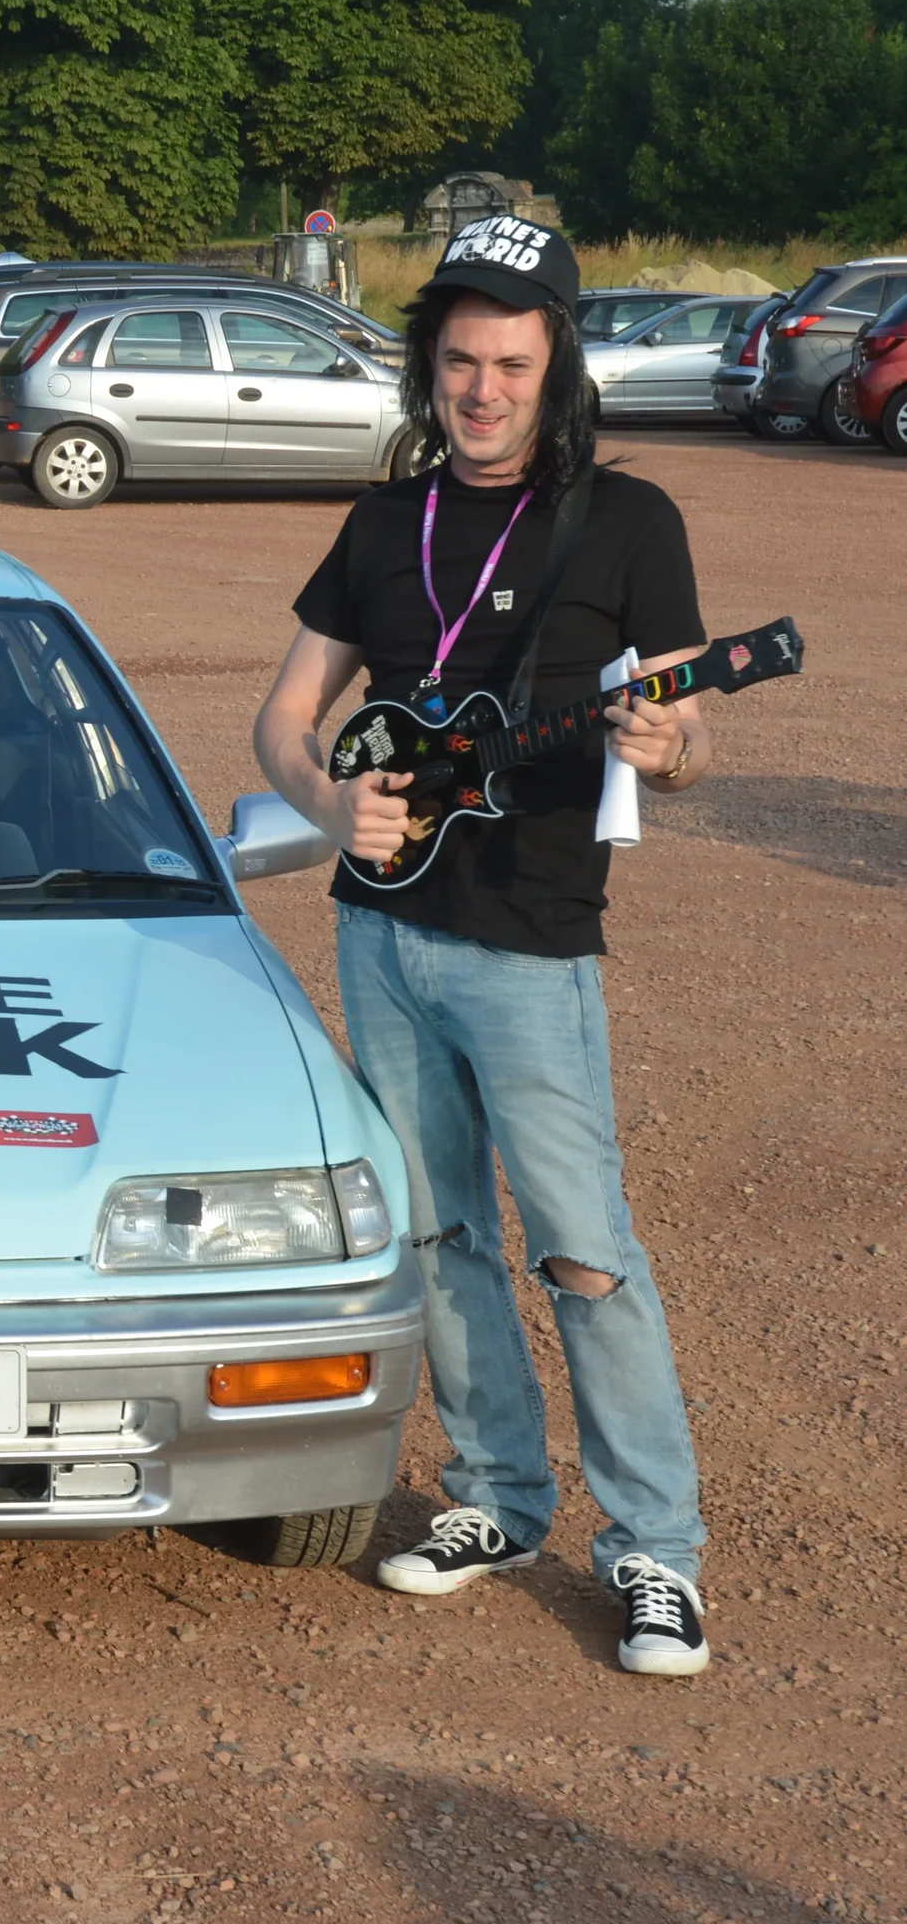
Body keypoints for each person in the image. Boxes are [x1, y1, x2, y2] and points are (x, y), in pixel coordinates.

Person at [252, 213, 715, 1677]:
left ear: (557, 364)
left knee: (584, 1251)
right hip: (384, 933)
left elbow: (689, 725)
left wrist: (671, 736)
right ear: (428, 365)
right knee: (444, 1233)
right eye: (460, 361)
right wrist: (336, 803)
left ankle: (654, 1551)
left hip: (530, 936)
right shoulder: (384, 523)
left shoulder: (631, 523)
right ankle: (499, 1499)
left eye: (513, 362)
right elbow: (279, 722)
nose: (484, 390)